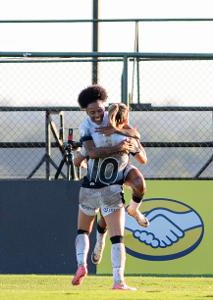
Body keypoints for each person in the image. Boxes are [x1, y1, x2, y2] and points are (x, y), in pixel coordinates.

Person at [71, 85, 139, 291]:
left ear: (105, 106)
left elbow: (86, 155)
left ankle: (81, 264)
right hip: (109, 189)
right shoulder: (118, 128)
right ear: (85, 111)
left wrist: (82, 155)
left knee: (83, 230)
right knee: (117, 236)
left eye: (99, 110)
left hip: (90, 186)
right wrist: (120, 146)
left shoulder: (87, 128)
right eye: (92, 112)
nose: (97, 114)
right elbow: (134, 139)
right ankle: (118, 281)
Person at [73, 103, 149, 266]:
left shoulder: (126, 132)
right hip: (100, 177)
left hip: (120, 169)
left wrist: (132, 145)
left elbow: (143, 159)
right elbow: (81, 158)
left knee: (139, 183)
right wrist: (83, 154)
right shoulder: (93, 129)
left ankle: (133, 210)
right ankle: (100, 242)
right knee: (106, 219)